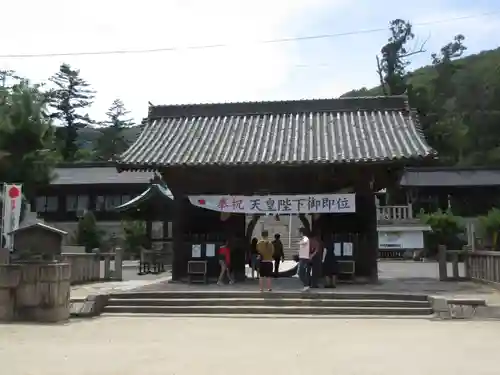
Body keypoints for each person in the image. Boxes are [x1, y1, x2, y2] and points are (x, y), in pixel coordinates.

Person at [297, 227, 311, 291]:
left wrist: (299, 243)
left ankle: (306, 285)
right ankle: (306, 285)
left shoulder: (305, 238)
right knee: (300, 273)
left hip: (304, 259)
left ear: (301, 232)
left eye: (298, 232)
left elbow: (304, 242)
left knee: (300, 272)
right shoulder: (302, 239)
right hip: (302, 258)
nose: (298, 233)